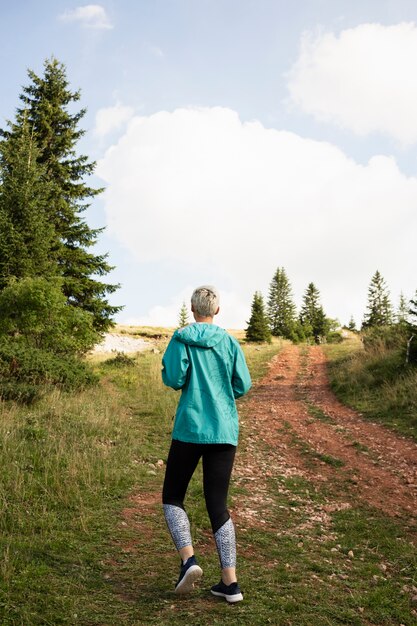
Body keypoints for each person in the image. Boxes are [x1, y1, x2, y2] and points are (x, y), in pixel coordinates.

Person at [161, 285, 252, 603]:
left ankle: (189, 560)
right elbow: (243, 384)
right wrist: (223, 393)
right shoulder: (229, 342)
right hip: (224, 431)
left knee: (173, 496)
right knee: (218, 504)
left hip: (189, 429)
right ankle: (231, 584)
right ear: (217, 310)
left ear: (192, 309)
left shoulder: (181, 338)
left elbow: (174, 378)